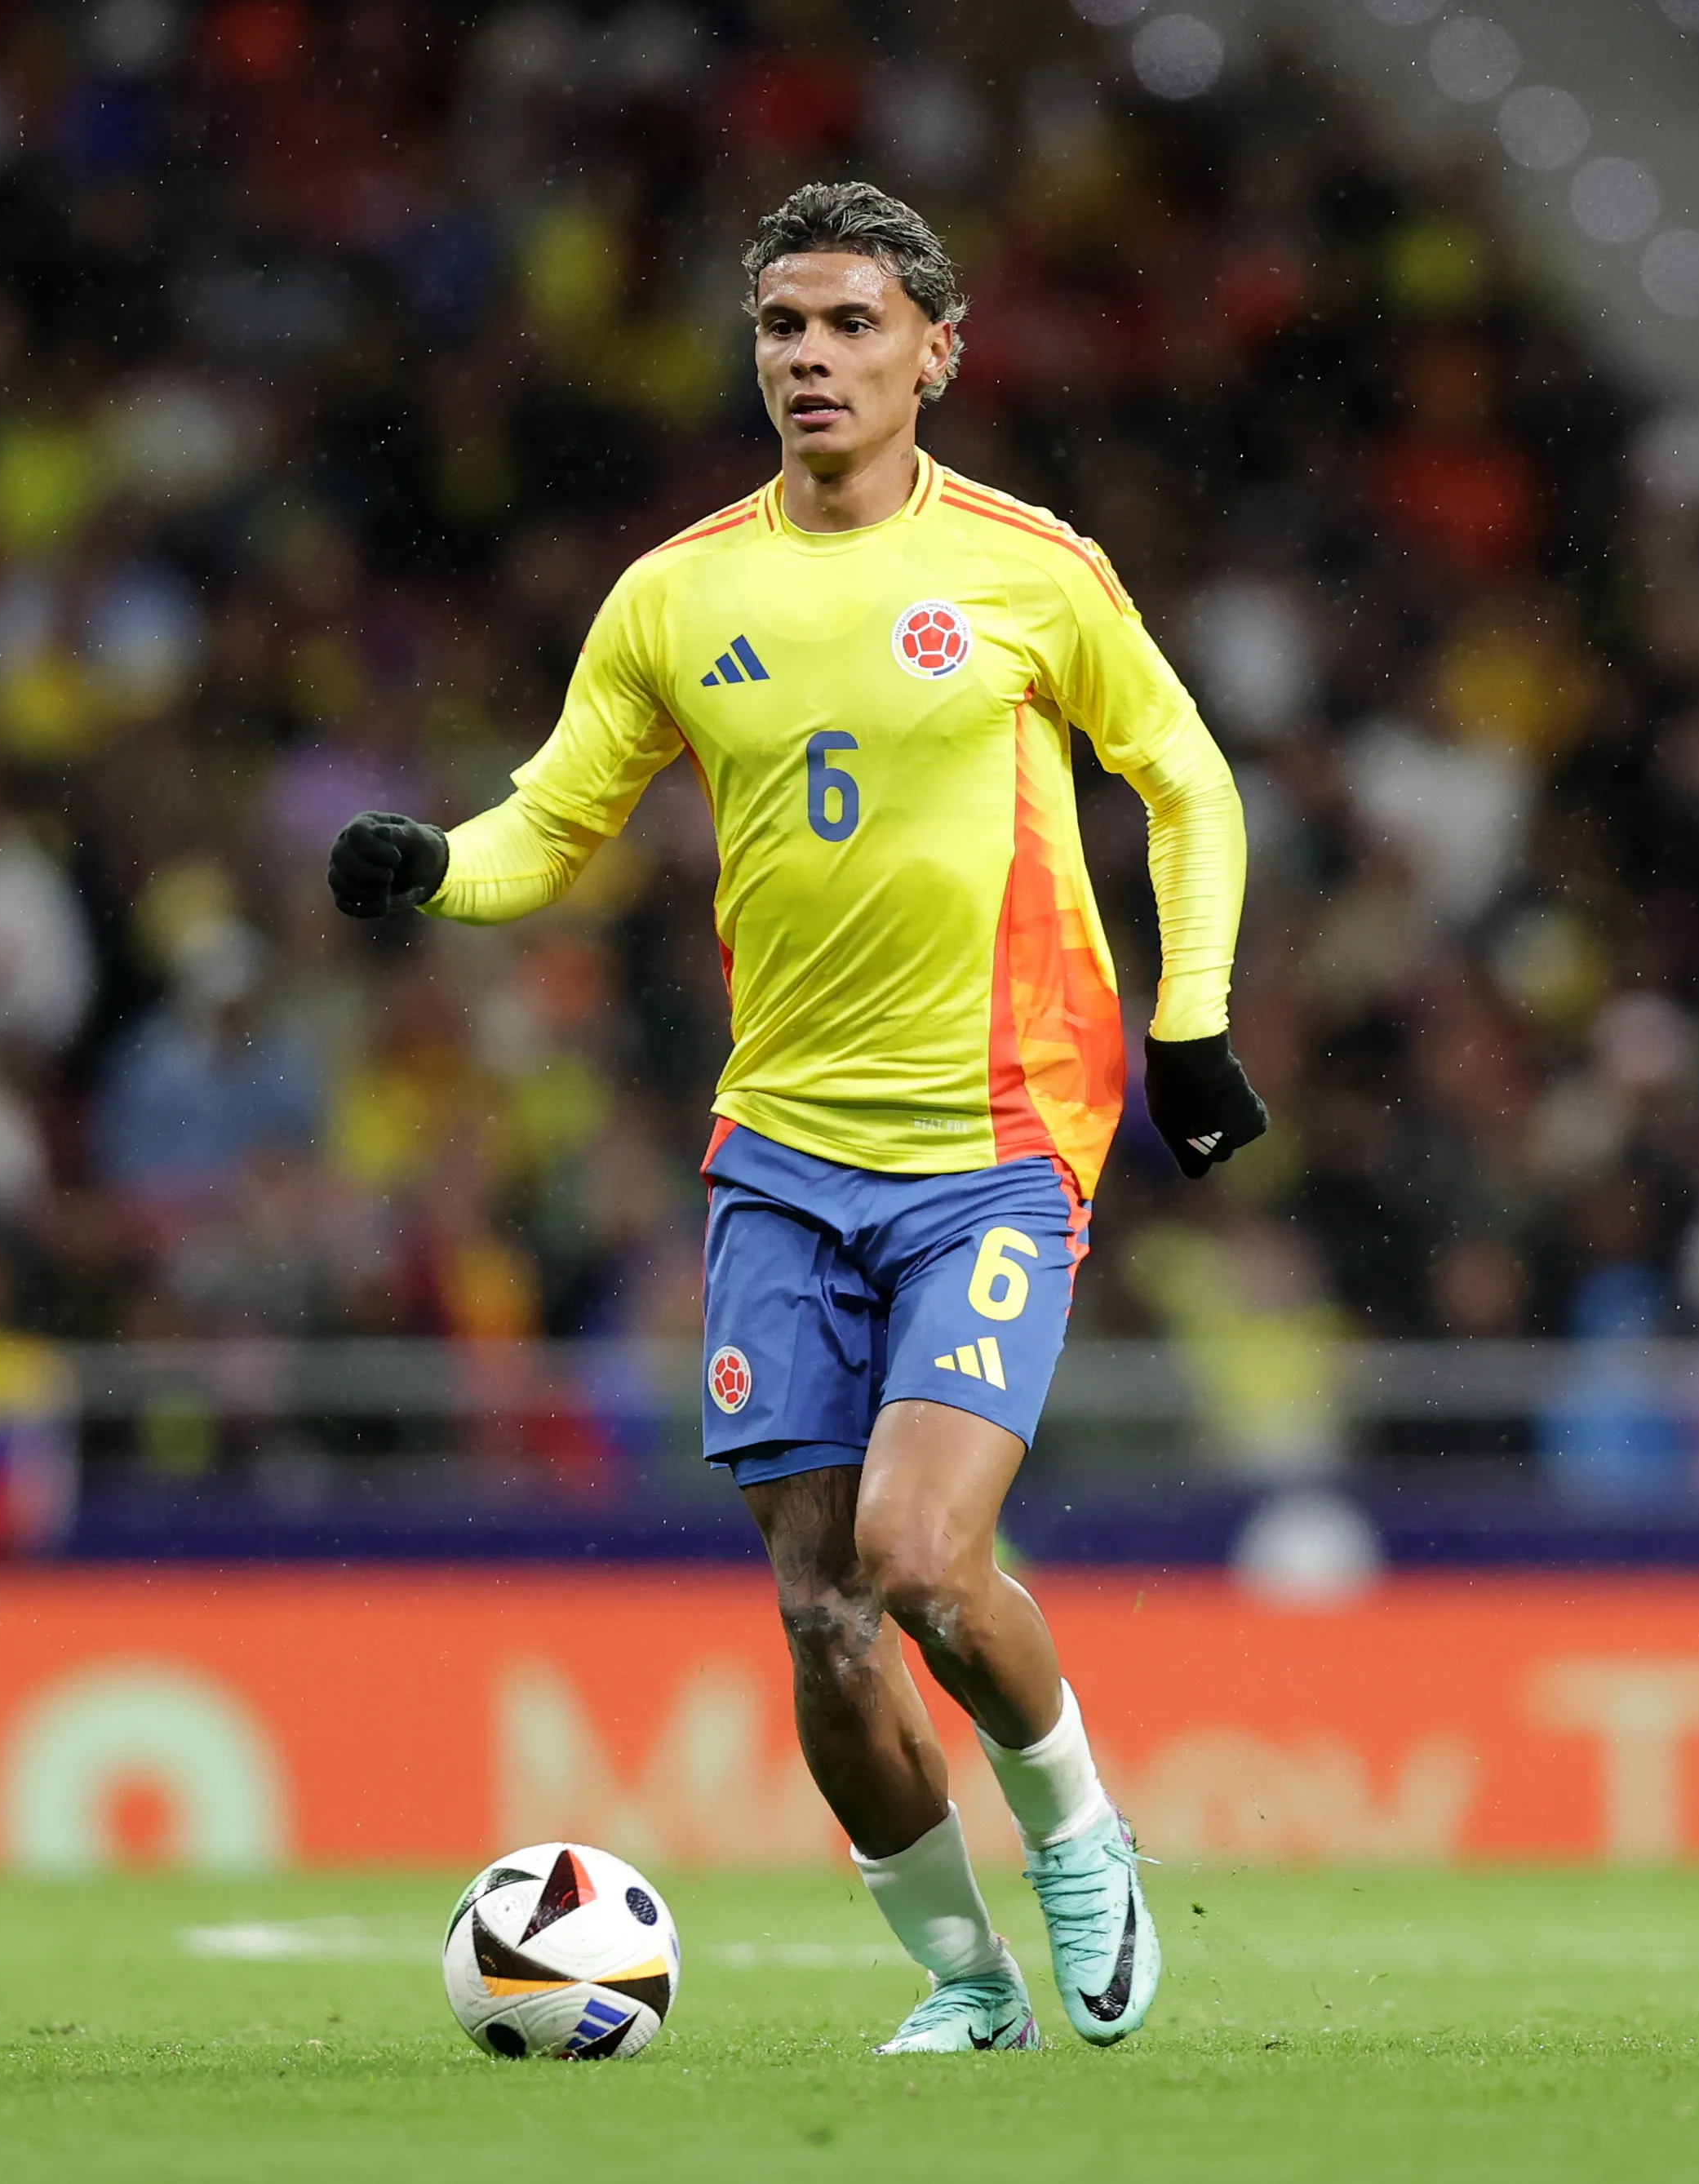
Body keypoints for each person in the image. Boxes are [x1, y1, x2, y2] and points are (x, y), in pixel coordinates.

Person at [327, 183, 1266, 2055]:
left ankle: (1078, 1835)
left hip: (995, 1139)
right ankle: (969, 1984)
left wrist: (1192, 1026)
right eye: (782, 326)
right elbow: (553, 825)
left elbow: (1185, 779)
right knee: (824, 1611)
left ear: (938, 351)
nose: (812, 359)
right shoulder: (676, 597)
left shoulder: (1028, 569)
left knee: (918, 1557)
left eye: (851, 324)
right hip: (780, 1155)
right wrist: (434, 866)